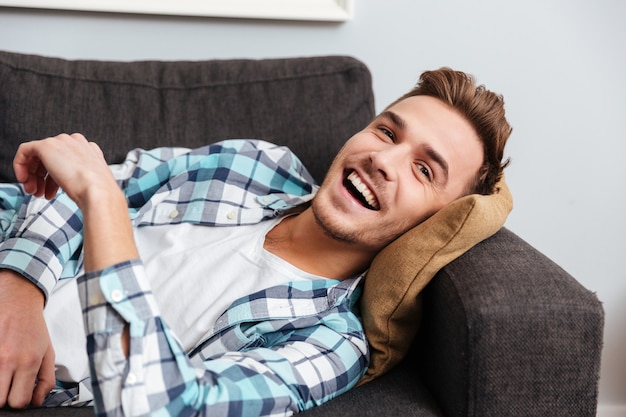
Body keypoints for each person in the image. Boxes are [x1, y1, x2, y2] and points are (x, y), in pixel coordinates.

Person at [0, 68, 511, 415]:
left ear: (436, 223)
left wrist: (104, 203)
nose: (384, 160)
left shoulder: (330, 343)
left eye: (424, 170)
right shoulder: (258, 165)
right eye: (385, 133)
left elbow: (164, 407)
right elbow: (67, 185)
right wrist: (21, 289)